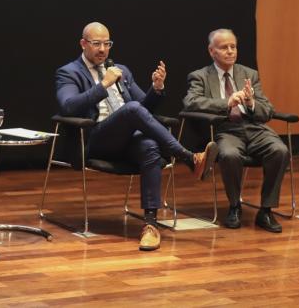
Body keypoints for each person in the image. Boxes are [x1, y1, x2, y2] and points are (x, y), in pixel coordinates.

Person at [55, 22, 218, 251]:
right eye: (96, 44)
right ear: (83, 44)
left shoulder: (121, 70)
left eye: (107, 44)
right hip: (96, 139)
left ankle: (150, 225)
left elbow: (144, 108)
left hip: (128, 138)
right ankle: (188, 157)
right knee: (131, 110)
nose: (102, 49)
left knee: (149, 146)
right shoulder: (69, 72)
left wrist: (156, 88)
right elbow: (68, 106)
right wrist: (103, 85)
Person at [183, 29, 289, 233]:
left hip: (254, 127)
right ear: (212, 51)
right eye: (224, 47)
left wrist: (251, 103)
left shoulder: (249, 74)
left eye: (233, 47)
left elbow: (267, 110)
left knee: (280, 151)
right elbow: (191, 102)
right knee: (230, 154)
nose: (230, 51)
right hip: (225, 130)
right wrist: (226, 103)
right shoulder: (200, 76)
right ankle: (234, 206)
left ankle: (266, 210)